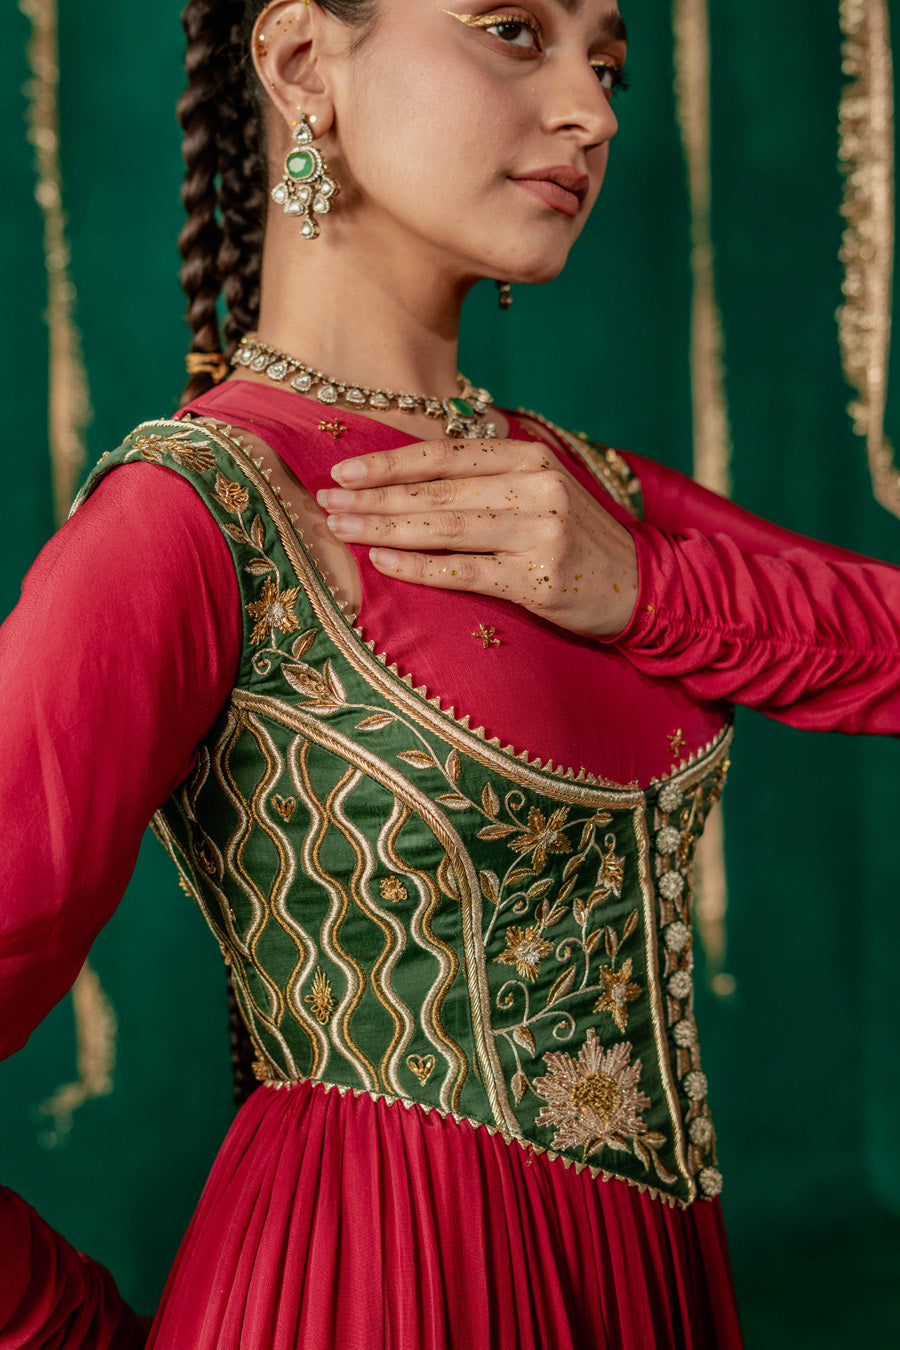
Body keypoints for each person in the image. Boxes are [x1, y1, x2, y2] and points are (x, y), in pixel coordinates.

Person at [2, 1, 899, 1346]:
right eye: (510, 30)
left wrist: (649, 589)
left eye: (607, 62)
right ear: (304, 58)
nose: (594, 110)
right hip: (361, 1292)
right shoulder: (191, 522)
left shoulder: (579, 500)